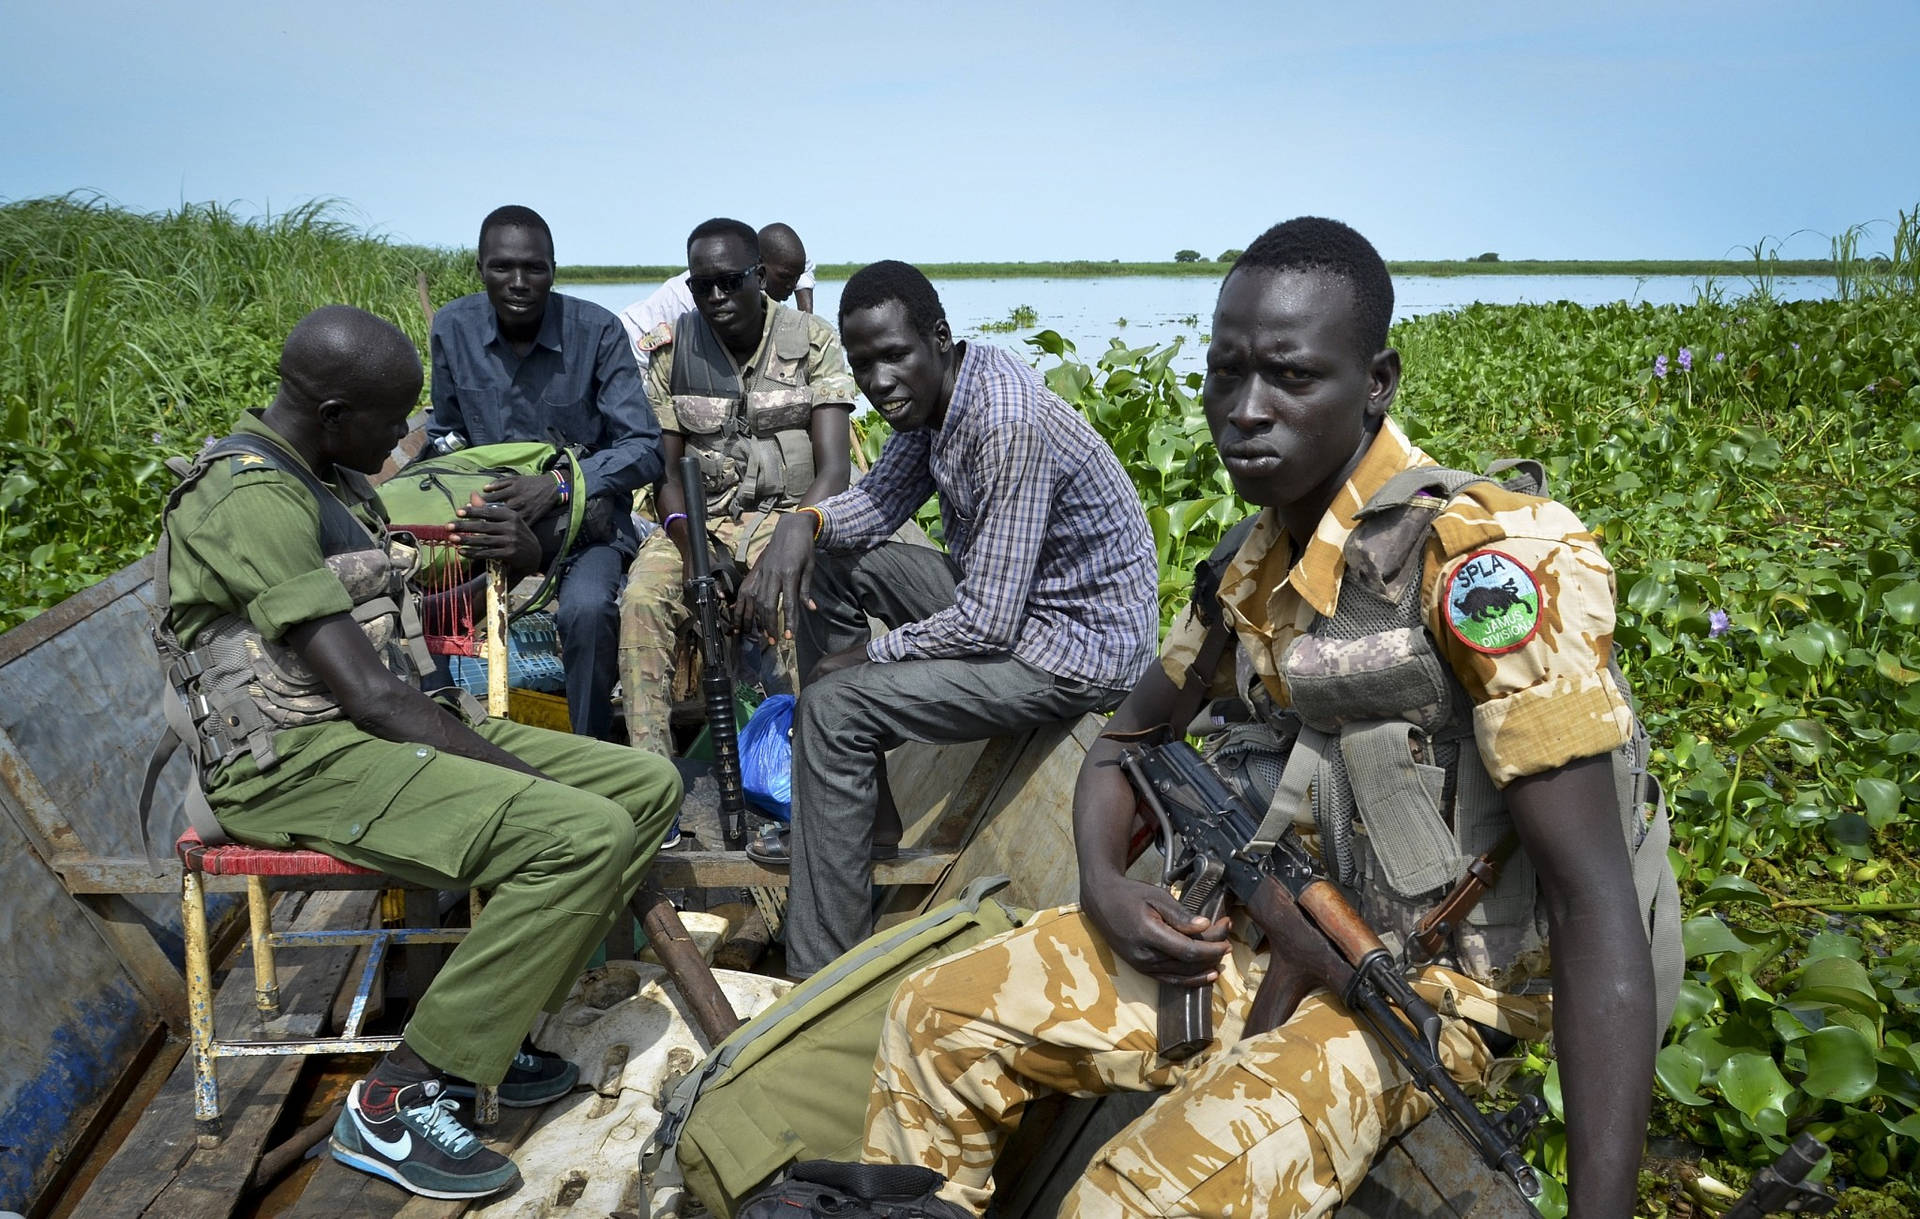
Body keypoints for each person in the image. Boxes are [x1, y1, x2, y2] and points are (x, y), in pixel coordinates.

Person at [858, 219, 1659, 1218]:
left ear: (1377, 381)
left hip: (1428, 1002)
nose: (1244, 412)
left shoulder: (1490, 565)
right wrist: (1108, 888)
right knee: (935, 1017)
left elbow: (1596, 902)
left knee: (1121, 1203)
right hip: (1265, 936)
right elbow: (1124, 742)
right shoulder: (1250, 563)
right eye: (1224, 374)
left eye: (1290, 377)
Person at [153, 305, 682, 1199]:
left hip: (365, 732)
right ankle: (399, 1095)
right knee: (582, 833)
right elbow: (366, 691)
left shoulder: (330, 474)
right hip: (293, 761)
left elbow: (396, 661)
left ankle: (495, 1021)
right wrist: (521, 773)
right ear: (330, 412)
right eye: (392, 417)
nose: (408, 435)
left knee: (647, 783)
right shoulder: (248, 499)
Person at [736, 260, 1160, 978]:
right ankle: (859, 818)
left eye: (895, 355)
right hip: (1018, 607)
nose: (879, 381)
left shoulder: (1004, 421)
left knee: (834, 706)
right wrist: (802, 520)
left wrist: (869, 658)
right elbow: (877, 506)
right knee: (831, 559)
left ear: (939, 338)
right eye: (863, 363)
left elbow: (987, 623)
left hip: (1071, 651)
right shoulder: (939, 400)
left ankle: (818, 981)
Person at [617, 218, 856, 760]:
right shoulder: (670, 351)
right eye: (703, 286)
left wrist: (781, 551)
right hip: (698, 523)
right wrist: (695, 551)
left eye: (731, 281)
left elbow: (834, 471)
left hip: (792, 515)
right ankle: (652, 781)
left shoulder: (813, 341)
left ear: (761, 276)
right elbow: (666, 472)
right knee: (641, 602)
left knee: (798, 606)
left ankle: (802, 778)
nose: (717, 296)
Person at [427, 204, 663, 741]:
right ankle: (446, 743)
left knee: (586, 612)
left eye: (534, 268)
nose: (518, 282)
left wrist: (558, 485)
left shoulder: (597, 331)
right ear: (481, 267)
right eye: (501, 267)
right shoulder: (452, 327)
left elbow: (645, 446)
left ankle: (593, 749)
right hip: (489, 524)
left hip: (582, 526)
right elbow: (446, 434)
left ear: (554, 268)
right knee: (429, 606)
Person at [617, 222, 818, 369]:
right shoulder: (710, 297)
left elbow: (803, 267)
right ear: (760, 271)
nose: (791, 286)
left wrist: (806, 324)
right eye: (785, 278)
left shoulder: (757, 269)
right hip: (634, 351)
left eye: (795, 278)